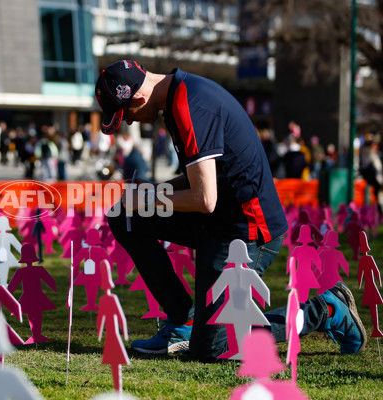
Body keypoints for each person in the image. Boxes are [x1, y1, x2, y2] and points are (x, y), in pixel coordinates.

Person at [95, 60, 366, 362]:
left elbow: (204, 197)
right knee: (125, 216)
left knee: (211, 349)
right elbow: (199, 179)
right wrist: (152, 193)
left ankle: (327, 309)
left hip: (247, 231)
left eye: (125, 115)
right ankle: (183, 320)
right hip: (218, 219)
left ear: (138, 98)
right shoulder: (176, 98)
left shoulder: (189, 105)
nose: (129, 123)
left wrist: (149, 197)